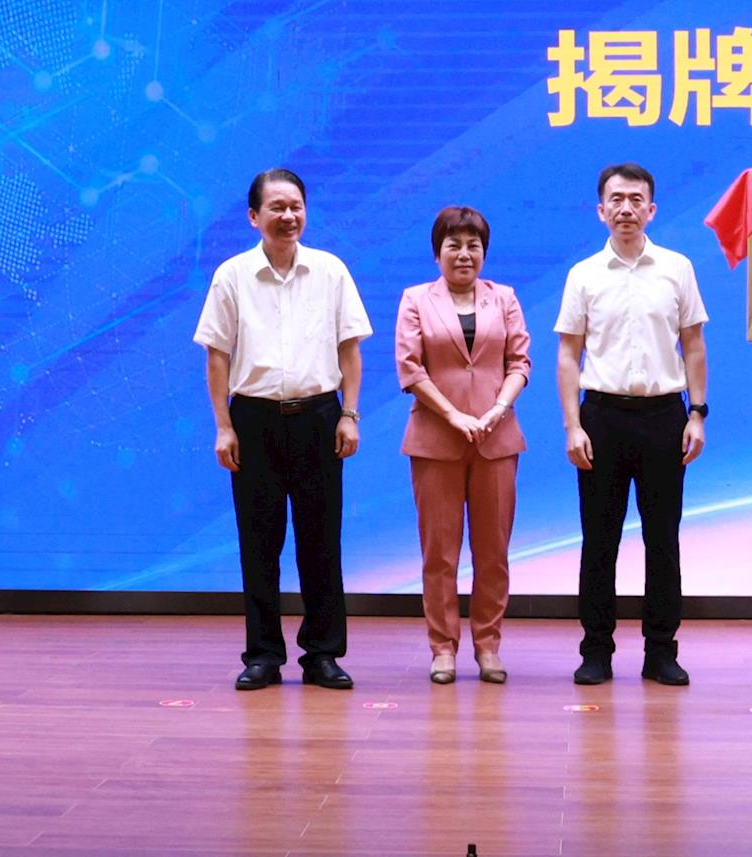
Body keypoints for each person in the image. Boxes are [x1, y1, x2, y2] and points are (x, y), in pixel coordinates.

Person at [194, 168, 371, 692]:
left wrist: (349, 414)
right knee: (259, 543)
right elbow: (217, 356)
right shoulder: (232, 276)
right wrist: (223, 426)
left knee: (322, 541)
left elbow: (349, 349)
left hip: (319, 417)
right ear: (254, 216)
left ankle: (322, 653)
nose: (288, 216)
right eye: (277, 207)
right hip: (254, 420)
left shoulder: (330, 270)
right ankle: (264, 655)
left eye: (296, 206)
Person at [555, 163, 708, 687]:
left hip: (665, 417)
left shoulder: (677, 268)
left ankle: (661, 651)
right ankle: (596, 650)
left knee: (663, 539)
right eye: (616, 200)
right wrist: (573, 426)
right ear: (601, 210)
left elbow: (693, 345)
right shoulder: (583, 275)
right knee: (599, 541)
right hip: (601, 418)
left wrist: (697, 412)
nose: (626, 209)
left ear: (651, 209)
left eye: (636, 199)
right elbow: (568, 355)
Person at [396, 206, 532, 685]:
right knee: (440, 554)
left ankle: (488, 646)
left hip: (496, 438)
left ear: (484, 252)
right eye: (453, 245)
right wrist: (453, 414)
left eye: (473, 245)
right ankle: (443, 648)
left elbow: (520, 362)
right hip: (437, 440)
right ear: (438, 252)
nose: (464, 254)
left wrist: (497, 409)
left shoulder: (504, 298)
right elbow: (410, 368)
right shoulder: (416, 299)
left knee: (493, 552)